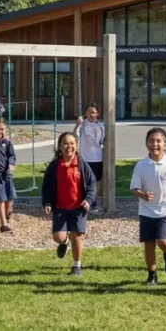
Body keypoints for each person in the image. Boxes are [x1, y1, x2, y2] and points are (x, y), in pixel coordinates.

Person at [129, 127, 166, 286]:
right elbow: (134, 188)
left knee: (162, 240)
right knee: (149, 243)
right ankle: (152, 274)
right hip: (146, 210)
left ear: (165, 145)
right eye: (151, 141)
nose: (155, 144)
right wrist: (142, 195)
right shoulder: (141, 165)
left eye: (158, 141)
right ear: (146, 144)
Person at [41, 131, 97, 277]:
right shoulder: (54, 166)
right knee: (58, 236)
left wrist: (88, 200)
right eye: (65, 143)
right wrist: (47, 202)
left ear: (77, 146)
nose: (69, 146)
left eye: (72, 143)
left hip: (79, 207)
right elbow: (46, 186)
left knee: (77, 236)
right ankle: (64, 243)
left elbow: (91, 184)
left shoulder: (82, 164)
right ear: (59, 147)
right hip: (60, 207)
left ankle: (76, 265)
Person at [74, 103, 105, 213]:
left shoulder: (101, 126)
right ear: (86, 113)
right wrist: (77, 125)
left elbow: (103, 141)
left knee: (95, 181)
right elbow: (74, 137)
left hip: (97, 158)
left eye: (95, 112)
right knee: (83, 181)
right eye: (91, 112)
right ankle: (83, 201)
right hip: (84, 158)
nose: (93, 115)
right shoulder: (82, 125)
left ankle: (94, 202)